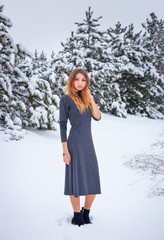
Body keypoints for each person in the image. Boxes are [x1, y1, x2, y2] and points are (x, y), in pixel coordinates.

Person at [59, 68, 101, 227]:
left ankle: (86, 212)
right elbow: (62, 126)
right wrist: (65, 151)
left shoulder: (87, 98)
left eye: (83, 80)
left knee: (93, 180)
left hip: (88, 144)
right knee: (74, 180)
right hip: (74, 144)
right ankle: (77, 215)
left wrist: (91, 98)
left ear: (86, 82)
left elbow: (97, 117)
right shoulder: (65, 99)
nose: (80, 83)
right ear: (71, 81)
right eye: (77, 79)